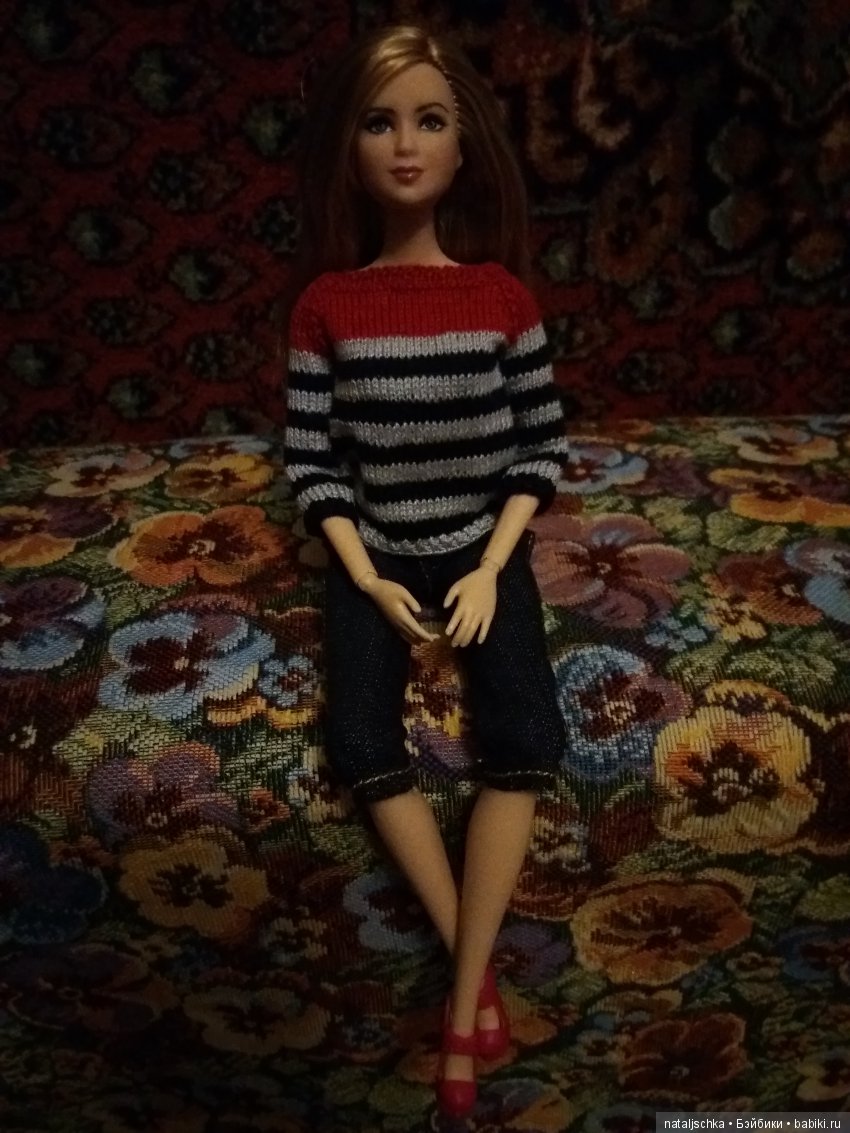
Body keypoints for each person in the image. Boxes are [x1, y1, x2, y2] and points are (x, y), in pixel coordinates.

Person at [284, 24, 568, 1118]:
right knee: (360, 738)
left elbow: (540, 445)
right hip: (380, 550)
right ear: (349, 148)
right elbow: (312, 462)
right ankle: (472, 976)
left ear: (464, 145)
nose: (406, 145)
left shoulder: (500, 296)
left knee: (525, 735)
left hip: (478, 545)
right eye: (379, 122)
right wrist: (365, 577)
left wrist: (492, 566)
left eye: (430, 120)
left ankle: (457, 1005)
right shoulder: (327, 306)